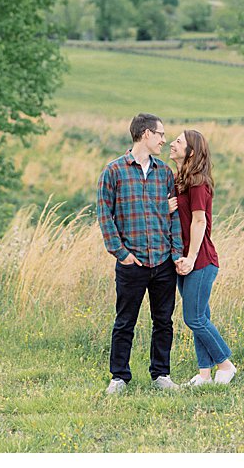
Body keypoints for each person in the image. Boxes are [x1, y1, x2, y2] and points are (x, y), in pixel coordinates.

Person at [96, 112, 181, 395]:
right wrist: (121, 253)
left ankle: (161, 374)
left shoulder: (165, 174)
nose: (164, 140)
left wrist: (176, 252)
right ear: (146, 134)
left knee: (163, 322)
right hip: (132, 262)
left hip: (162, 261)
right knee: (125, 322)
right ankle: (119, 377)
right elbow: (104, 216)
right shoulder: (114, 171)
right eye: (160, 135)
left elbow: (175, 218)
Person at [168, 129, 236, 386]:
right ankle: (205, 374)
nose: (171, 144)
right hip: (184, 260)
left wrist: (191, 258)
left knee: (193, 318)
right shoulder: (180, 180)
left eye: (178, 142)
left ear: (191, 152)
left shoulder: (197, 181)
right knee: (200, 318)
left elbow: (199, 220)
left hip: (201, 260)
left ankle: (226, 365)